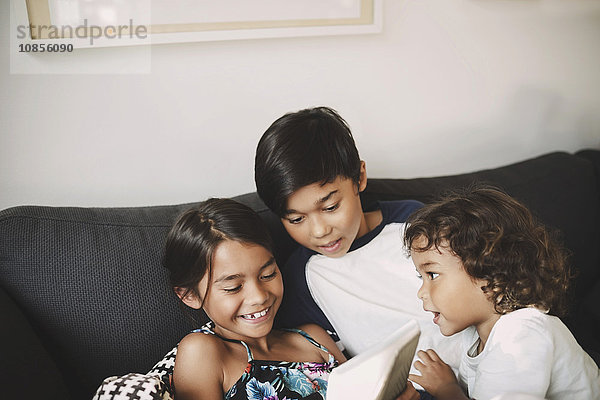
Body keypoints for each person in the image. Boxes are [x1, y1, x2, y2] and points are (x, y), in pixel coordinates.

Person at [254, 107, 462, 390]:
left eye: (330, 207)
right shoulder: (301, 278)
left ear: (359, 178)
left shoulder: (413, 223)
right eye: (296, 219)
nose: (319, 231)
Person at [163, 198, 419, 400]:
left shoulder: (314, 338)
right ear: (189, 295)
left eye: (267, 274)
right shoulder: (204, 352)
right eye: (233, 287)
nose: (259, 296)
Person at [403, 186, 600, 400]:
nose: (421, 292)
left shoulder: (521, 332)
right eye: (420, 277)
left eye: (432, 275)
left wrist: (447, 390)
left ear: (491, 273)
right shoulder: (476, 338)